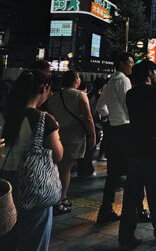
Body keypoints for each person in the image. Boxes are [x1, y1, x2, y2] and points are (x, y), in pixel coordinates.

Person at [0, 70, 63, 251]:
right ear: (44, 88)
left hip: (4, 184)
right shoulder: (43, 119)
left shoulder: (4, 115)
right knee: (34, 239)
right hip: (33, 185)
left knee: (6, 234)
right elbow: (58, 155)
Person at [118, 60, 156, 249]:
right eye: (155, 71)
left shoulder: (131, 94)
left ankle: (126, 236)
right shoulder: (155, 92)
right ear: (149, 73)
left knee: (131, 196)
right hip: (153, 148)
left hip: (134, 150)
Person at [96, 52, 149, 223]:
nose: (132, 65)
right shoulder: (123, 80)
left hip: (113, 130)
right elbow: (130, 106)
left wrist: (109, 118)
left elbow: (100, 105)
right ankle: (138, 210)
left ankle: (106, 209)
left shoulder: (111, 81)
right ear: (121, 63)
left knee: (113, 173)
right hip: (126, 129)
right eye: (130, 62)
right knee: (134, 171)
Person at [46, 70, 95, 214]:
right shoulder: (80, 95)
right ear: (76, 80)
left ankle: (55, 196)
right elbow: (88, 118)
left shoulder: (53, 97)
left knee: (57, 166)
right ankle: (61, 198)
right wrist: (92, 135)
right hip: (74, 135)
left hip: (56, 135)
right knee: (66, 167)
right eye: (79, 77)